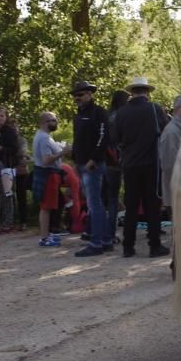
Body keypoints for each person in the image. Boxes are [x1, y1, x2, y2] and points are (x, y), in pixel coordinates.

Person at [112, 77, 171, 258]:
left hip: (130, 165)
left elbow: (115, 139)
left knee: (131, 206)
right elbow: (165, 130)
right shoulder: (154, 109)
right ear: (147, 91)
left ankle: (128, 246)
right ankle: (154, 245)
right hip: (151, 164)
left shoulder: (121, 113)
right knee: (152, 206)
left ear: (132, 92)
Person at [70, 81, 112, 257]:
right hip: (81, 164)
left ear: (89, 94)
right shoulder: (78, 115)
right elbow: (77, 139)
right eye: (75, 96)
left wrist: (94, 158)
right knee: (96, 204)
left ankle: (96, 243)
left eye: (80, 95)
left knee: (95, 204)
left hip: (93, 165)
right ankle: (105, 240)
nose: (77, 98)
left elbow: (104, 137)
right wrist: (74, 159)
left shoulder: (99, 113)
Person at [32, 112, 67, 247]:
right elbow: (46, 160)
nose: (55, 123)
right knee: (46, 207)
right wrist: (63, 152)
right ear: (44, 122)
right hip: (47, 175)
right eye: (53, 120)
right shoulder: (44, 138)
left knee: (51, 205)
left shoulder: (45, 137)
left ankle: (49, 234)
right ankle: (44, 238)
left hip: (48, 174)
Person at [104, 89, 129, 244]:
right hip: (121, 160)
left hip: (107, 161)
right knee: (120, 197)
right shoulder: (122, 116)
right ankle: (117, 232)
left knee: (110, 199)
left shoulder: (107, 116)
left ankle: (108, 231)